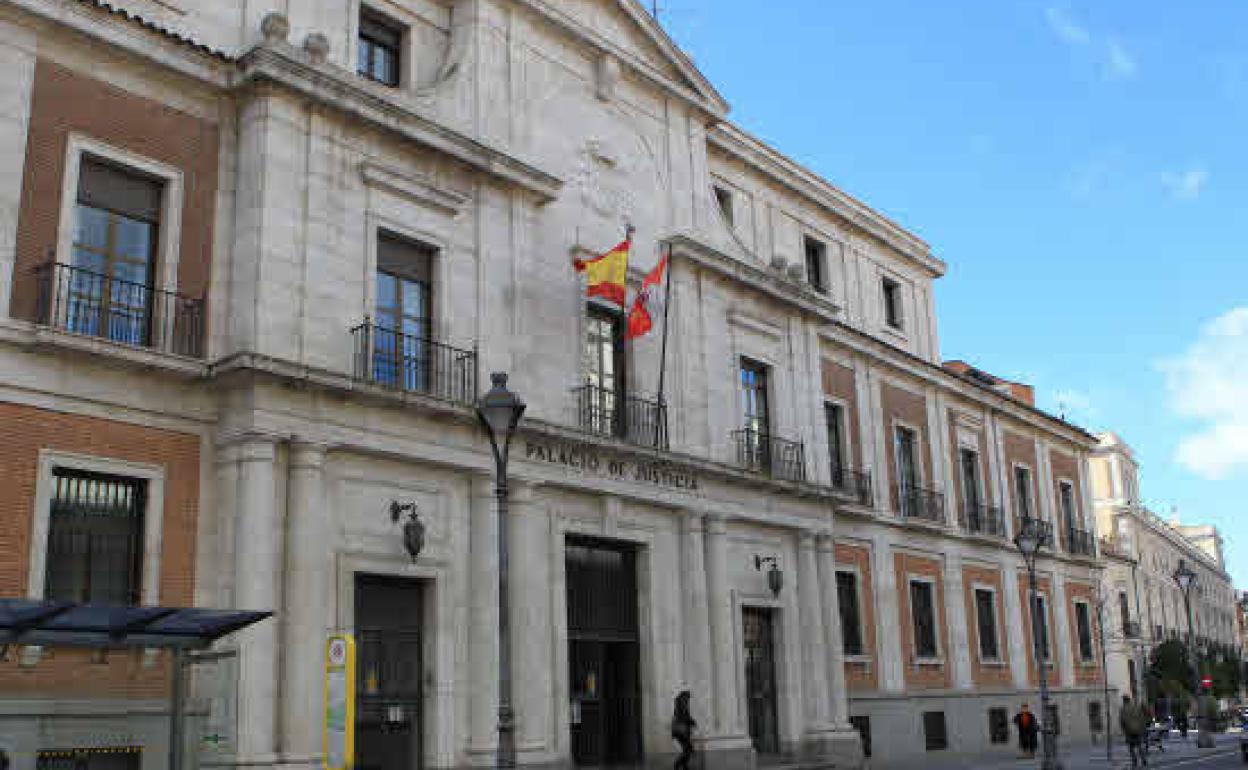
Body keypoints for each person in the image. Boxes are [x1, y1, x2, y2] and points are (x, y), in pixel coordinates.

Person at [1120, 695, 1150, 768]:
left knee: (1131, 748)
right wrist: (1142, 728)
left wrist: (1124, 729)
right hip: (1138, 730)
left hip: (1129, 730)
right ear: (1129, 700)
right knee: (1139, 745)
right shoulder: (1136, 707)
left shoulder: (1123, 709)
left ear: (1124, 701)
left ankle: (1134, 761)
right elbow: (1141, 718)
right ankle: (1143, 760)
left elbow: (1122, 720)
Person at [671, 690, 697, 770]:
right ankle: (677, 765)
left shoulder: (681, 705)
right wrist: (691, 721)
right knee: (688, 749)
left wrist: (692, 722)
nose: (689, 700)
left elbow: (686, 717)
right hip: (681, 732)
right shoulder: (681, 705)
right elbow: (683, 717)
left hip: (681, 731)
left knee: (688, 749)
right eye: (688, 697)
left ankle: (684, 765)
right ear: (684, 697)